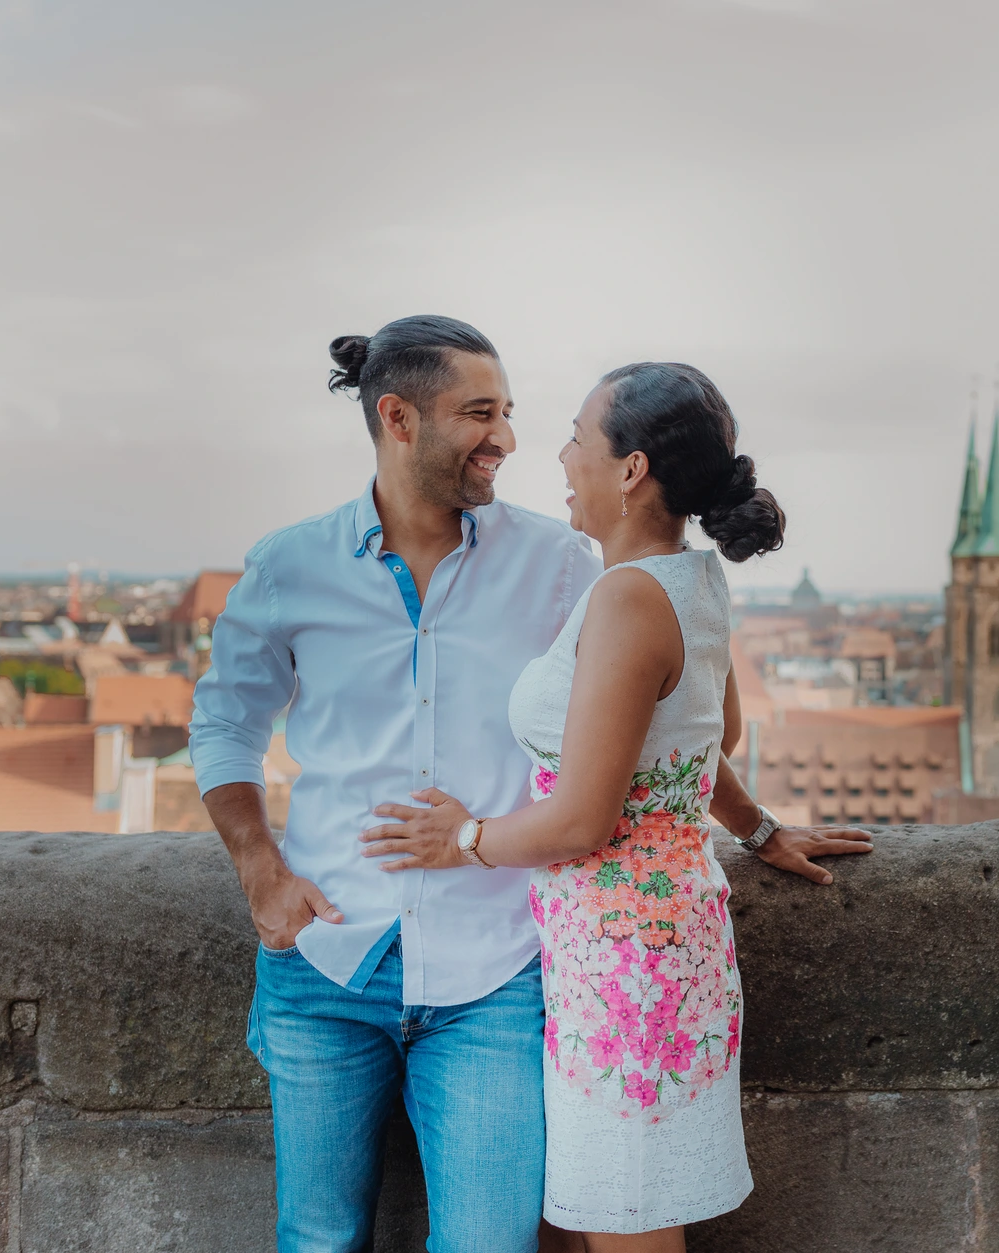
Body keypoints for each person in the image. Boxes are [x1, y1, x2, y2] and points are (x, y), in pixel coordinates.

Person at [190, 321, 867, 1253]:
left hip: (498, 970)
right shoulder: (288, 565)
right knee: (317, 1236)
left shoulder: (569, 564)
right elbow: (224, 724)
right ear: (398, 418)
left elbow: (655, 726)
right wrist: (260, 871)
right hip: (328, 955)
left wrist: (753, 823)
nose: (509, 437)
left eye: (511, 412)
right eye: (481, 413)